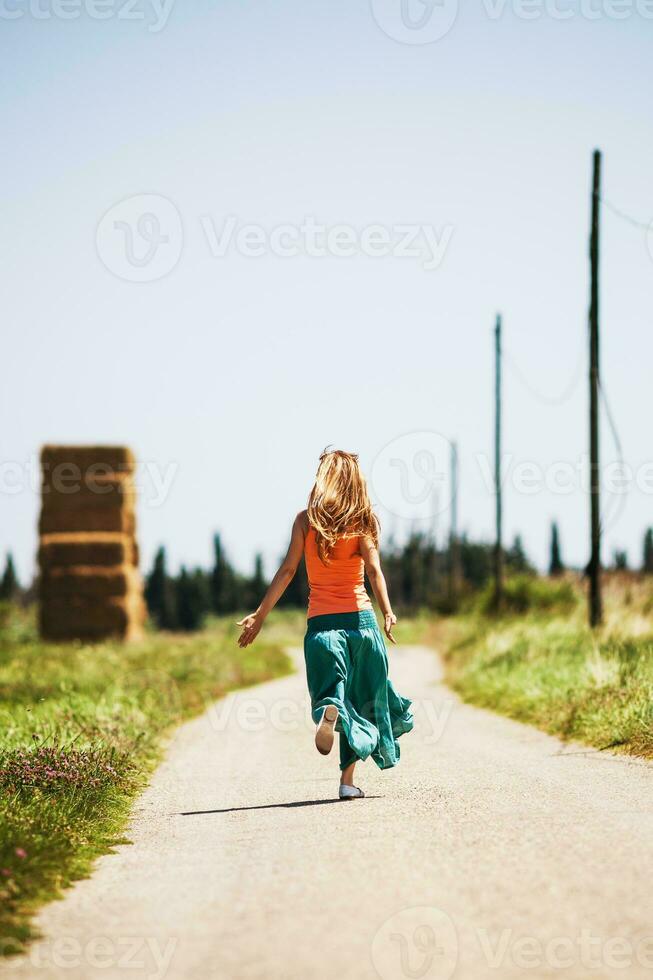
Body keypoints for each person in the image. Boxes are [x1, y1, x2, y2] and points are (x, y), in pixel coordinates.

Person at [237, 449, 413, 800]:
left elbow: (287, 571)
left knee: (334, 693)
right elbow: (375, 571)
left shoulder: (306, 521)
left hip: (322, 627)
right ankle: (347, 784)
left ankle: (331, 708)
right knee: (363, 701)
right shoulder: (364, 522)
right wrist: (388, 612)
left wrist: (259, 615)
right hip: (362, 625)